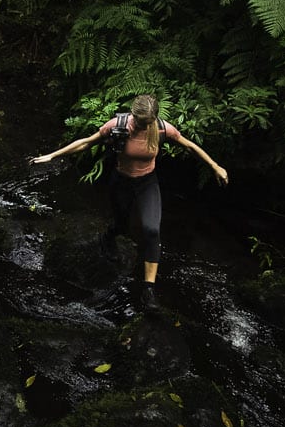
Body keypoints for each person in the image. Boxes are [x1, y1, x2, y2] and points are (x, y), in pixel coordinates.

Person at [29, 94, 228, 310]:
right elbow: (86, 143)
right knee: (121, 224)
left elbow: (189, 146)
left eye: (147, 123)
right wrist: (52, 156)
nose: (143, 126)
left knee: (151, 230)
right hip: (120, 181)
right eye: (140, 122)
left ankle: (148, 290)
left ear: (154, 118)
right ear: (133, 115)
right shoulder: (118, 125)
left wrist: (214, 166)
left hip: (147, 183)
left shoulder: (162, 128)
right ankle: (108, 236)